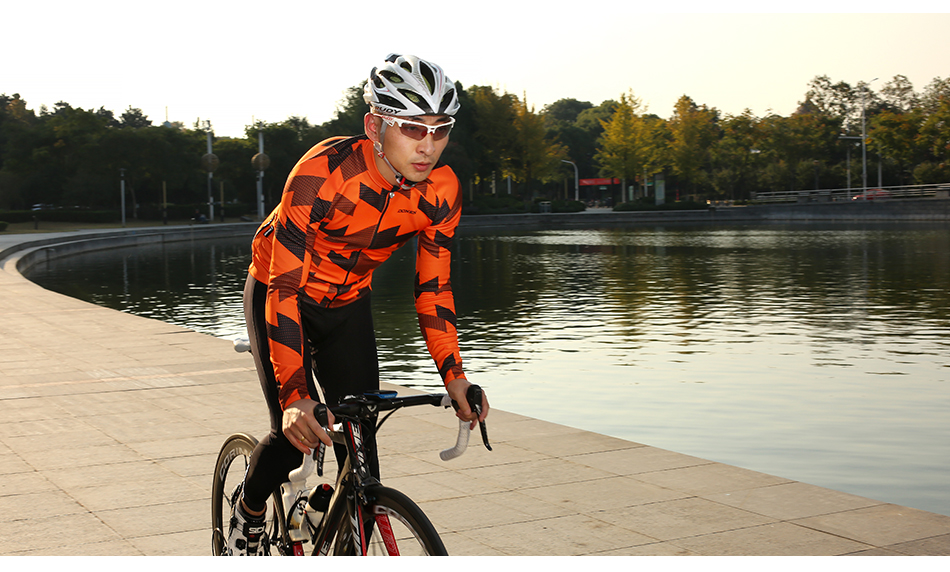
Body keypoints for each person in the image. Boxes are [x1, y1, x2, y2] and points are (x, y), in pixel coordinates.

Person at [227, 54, 490, 555]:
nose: (428, 145)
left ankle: (341, 524)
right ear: (374, 127)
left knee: (361, 445)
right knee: (294, 437)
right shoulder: (323, 174)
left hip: (347, 302)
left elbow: (433, 290)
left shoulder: (442, 191)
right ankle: (250, 510)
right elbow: (284, 287)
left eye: (440, 130)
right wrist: (296, 396)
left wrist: (455, 376)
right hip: (281, 291)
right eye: (412, 128)